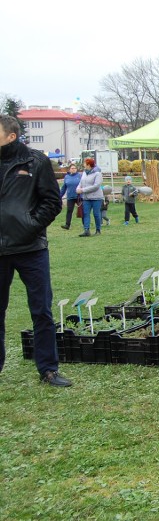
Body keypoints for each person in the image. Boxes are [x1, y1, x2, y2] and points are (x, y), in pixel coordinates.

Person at [0, 114, 71, 386]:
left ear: (11, 136)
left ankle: (48, 369)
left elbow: (52, 202)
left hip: (31, 248)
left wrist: (30, 225)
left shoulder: (35, 161)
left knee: (41, 309)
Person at [76, 157, 104, 237]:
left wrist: (83, 190)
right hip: (86, 198)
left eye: (85, 163)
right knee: (85, 213)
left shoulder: (97, 174)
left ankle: (98, 230)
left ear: (88, 165)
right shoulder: (84, 173)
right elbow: (81, 182)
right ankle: (86, 230)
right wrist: (78, 188)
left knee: (96, 214)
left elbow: (96, 186)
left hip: (96, 197)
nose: (83, 164)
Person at [58, 163, 81, 230]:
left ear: (76, 169)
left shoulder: (80, 176)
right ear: (69, 169)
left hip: (79, 196)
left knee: (82, 211)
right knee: (69, 211)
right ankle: (67, 225)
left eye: (74, 168)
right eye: (72, 168)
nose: (73, 169)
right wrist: (59, 196)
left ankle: (85, 224)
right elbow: (64, 188)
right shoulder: (67, 177)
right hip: (70, 197)